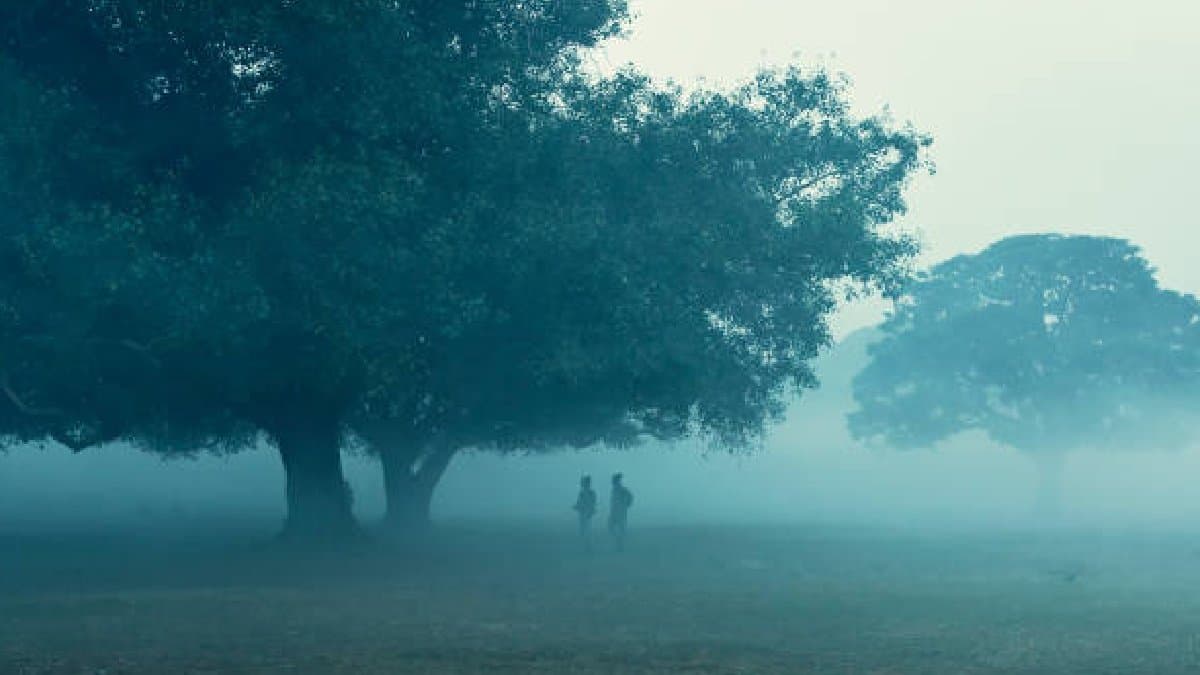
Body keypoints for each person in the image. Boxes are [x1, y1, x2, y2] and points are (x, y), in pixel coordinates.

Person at [608, 472, 633, 551]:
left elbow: (630, 497)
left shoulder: (622, 490)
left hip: (621, 513)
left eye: (614, 481)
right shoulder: (614, 490)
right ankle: (619, 542)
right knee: (611, 527)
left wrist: (626, 505)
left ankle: (620, 544)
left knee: (621, 529)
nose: (613, 482)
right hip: (614, 512)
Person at [573, 475, 597, 550]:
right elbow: (579, 503)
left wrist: (590, 510)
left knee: (587, 531)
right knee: (583, 531)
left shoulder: (590, 493)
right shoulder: (582, 492)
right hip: (583, 514)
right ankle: (587, 547)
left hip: (587, 514)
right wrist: (577, 507)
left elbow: (592, 503)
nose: (582, 483)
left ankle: (589, 547)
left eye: (583, 482)